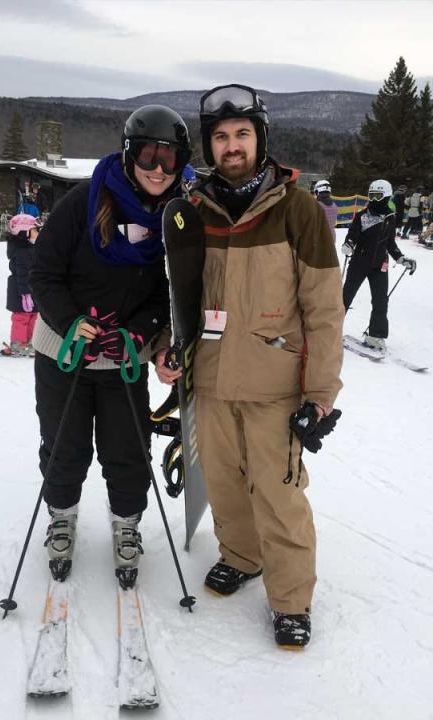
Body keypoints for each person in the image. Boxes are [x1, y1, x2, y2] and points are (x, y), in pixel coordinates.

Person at [155, 84, 344, 649]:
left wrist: (321, 391)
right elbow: (181, 298)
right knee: (222, 482)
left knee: (278, 492)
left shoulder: (300, 211)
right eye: (220, 137)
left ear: (260, 140)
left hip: (274, 383)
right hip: (210, 380)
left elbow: (325, 309)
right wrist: (170, 347)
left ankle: (290, 599)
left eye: (241, 134)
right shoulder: (192, 213)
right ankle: (240, 555)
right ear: (209, 147)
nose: (231, 146)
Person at [28, 105, 188, 588]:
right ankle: (61, 517)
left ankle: (127, 526)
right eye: (148, 154)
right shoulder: (83, 202)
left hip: (123, 358)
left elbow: (165, 291)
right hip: (64, 352)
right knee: (64, 447)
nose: (158, 168)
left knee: (127, 448)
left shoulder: (173, 217)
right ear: (128, 153)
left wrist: (141, 334)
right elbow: (44, 273)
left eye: (170, 158)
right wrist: (70, 321)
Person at [341, 179, 417, 350]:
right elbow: (352, 235)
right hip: (359, 263)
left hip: (380, 265)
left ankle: (376, 335)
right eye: (371, 196)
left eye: (378, 196)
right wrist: (348, 245)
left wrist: (401, 258)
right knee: (346, 296)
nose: (374, 200)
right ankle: (330, 328)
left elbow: (390, 243)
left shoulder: (390, 218)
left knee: (381, 301)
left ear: (387, 197)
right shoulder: (362, 216)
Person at [3, 212, 41, 356]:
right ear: (24, 233)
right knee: (21, 317)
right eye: (35, 230)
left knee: (33, 316)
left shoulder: (30, 248)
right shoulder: (22, 252)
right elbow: (23, 274)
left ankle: (30, 341)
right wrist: (25, 294)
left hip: (32, 290)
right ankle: (18, 343)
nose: (38, 233)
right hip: (21, 291)